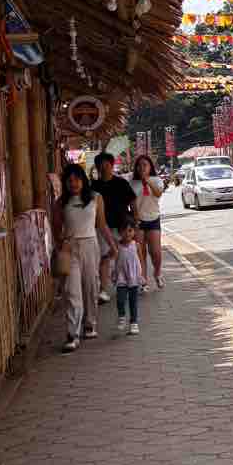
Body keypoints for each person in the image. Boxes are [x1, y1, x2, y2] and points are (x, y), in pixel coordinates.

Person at [52, 163, 117, 353]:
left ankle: (90, 324)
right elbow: (55, 227)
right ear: (65, 183)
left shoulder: (96, 198)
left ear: (83, 180)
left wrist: (113, 246)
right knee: (72, 291)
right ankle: (72, 334)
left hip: (90, 245)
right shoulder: (60, 203)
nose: (73, 183)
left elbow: (102, 225)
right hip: (70, 248)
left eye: (77, 179)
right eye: (69, 180)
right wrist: (61, 243)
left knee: (91, 287)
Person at [91, 151, 137, 304]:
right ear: (97, 167)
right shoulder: (94, 186)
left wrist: (135, 223)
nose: (103, 168)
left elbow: (133, 202)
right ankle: (103, 290)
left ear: (112, 165)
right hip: (102, 228)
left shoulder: (121, 183)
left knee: (123, 257)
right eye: (100, 165)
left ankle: (129, 284)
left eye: (106, 164)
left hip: (122, 227)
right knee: (105, 258)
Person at [132, 154, 165, 290]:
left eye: (145, 165)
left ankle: (157, 273)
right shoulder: (132, 182)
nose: (142, 168)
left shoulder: (157, 180)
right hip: (138, 221)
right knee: (141, 253)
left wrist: (148, 181)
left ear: (150, 167)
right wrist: (134, 217)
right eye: (139, 165)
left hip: (153, 219)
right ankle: (143, 280)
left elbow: (158, 193)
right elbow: (131, 201)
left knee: (155, 252)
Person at [113, 219, 142, 336]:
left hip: (133, 277)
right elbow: (112, 258)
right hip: (121, 277)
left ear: (134, 231)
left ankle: (134, 323)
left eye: (130, 230)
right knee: (120, 299)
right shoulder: (117, 246)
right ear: (119, 232)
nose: (127, 233)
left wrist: (142, 276)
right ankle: (122, 316)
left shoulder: (136, 245)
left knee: (133, 301)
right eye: (124, 231)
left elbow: (141, 260)